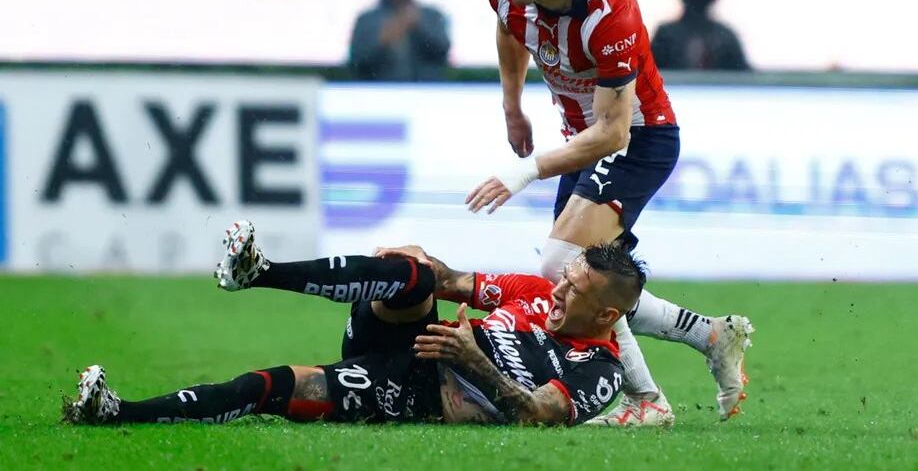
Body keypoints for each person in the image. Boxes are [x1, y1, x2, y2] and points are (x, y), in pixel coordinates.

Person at [464, 0, 753, 426]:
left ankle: (647, 401)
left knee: (562, 266)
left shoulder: (608, 13)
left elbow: (614, 133)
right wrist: (512, 106)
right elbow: (511, 31)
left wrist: (524, 172)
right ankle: (708, 335)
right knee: (576, 280)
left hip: (638, 140)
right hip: (582, 141)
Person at [63, 221, 642, 426]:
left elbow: (541, 414)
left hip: (415, 391)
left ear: (608, 315)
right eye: (566, 276)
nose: (558, 288)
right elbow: (452, 281)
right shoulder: (539, 291)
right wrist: (417, 260)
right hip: (417, 338)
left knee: (274, 386)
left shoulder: (601, 369)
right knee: (414, 276)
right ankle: (258, 271)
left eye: (575, 288)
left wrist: (473, 360)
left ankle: (118, 412)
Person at [348, 0, 451, 81]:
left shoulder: (431, 15)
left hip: (425, 91)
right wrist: (382, 39)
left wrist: (418, 26)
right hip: (380, 91)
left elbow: (443, 51)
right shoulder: (366, 20)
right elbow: (356, 61)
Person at [650, 0, 750, 71]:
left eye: (701, 0)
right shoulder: (666, 35)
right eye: (694, 0)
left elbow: (743, 77)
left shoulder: (725, 37)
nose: (696, 7)